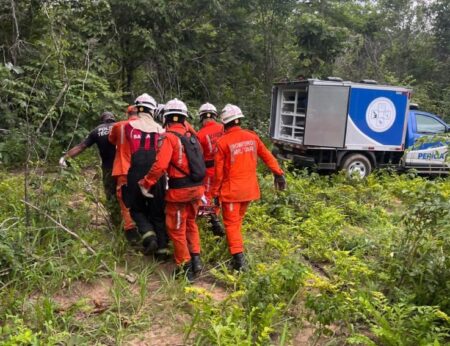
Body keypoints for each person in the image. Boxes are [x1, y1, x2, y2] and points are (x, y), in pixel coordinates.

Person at [211, 104, 286, 271]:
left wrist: (215, 193)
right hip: (249, 190)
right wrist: (278, 173)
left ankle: (239, 261)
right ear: (239, 120)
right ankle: (235, 250)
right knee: (236, 222)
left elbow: (218, 173)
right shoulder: (251, 137)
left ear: (224, 123)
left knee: (231, 224)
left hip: (232, 192)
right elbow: (267, 156)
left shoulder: (223, 142)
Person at [139, 98, 205, 282]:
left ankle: (185, 268)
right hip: (197, 190)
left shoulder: (169, 138)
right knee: (191, 223)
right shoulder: (192, 137)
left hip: (179, 192)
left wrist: (146, 183)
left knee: (175, 228)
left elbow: (160, 166)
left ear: (166, 118)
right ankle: (196, 259)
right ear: (184, 118)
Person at [123, 93, 169, 257]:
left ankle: (149, 237)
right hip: (157, 173)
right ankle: (163, 250)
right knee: (158, 211)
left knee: (136, 209)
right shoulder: (161, 130)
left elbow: (123, 149)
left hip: (135, 171)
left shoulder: (128, 127)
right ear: (152, 110)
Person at [59, 111, 118, 223]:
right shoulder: (121, 126)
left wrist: (65, 157)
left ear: (102, 120)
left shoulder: (96, 131)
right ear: (113, 118)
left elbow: (81, 147)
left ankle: (115, 222)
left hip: (108, 168)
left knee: (111, 195)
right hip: (124, 167)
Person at [108, 105, 139, 243]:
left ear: (128, 114)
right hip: (142, 169)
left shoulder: (118, 126)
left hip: (123, 169)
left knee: (125, 202)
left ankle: (131, 233)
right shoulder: (147, 125)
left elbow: (112, 140)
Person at [196, 103, 224, 236]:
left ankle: (211, 222)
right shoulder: (224, 128)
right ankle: (216, 217)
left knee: (206, 196)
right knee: (219, 195)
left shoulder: (200, 135)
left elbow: (198, 156)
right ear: (215, 115)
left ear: (201, 117)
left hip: (209, 171)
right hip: (225, 169)